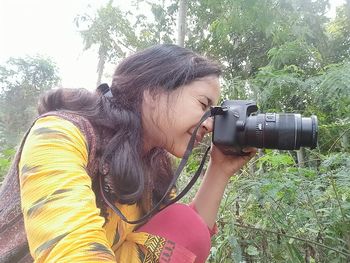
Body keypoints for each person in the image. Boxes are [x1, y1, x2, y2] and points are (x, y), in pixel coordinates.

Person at [4, 44, 256, 262]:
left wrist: (220, 170)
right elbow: (72, 250)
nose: (209, 123)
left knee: (184, 222)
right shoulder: (61, 132)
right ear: (154, 91)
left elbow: (190, 234)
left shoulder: (153, 165)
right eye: (203, 104)